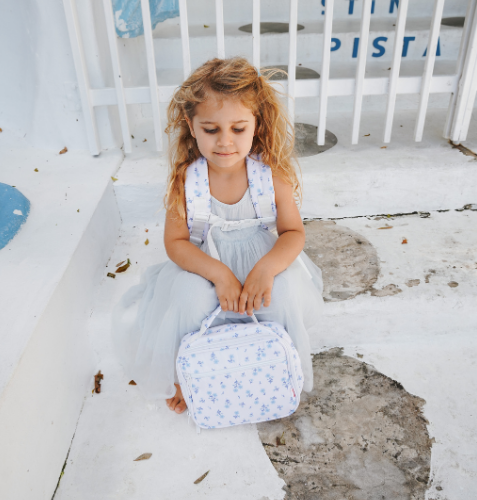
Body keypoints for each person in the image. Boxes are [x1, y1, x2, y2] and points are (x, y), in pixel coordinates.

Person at [111, 57, 325, 415]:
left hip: (260, 258)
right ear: (191, 126)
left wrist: (267, 268)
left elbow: (293, 233)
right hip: (204, 264)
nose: (225, 141)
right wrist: (220, 274)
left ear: (256, 125)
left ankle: (278, 367)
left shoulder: (270, 177)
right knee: (188, 299)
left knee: (282, 295)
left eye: (238, 129)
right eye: (211, 129)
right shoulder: (186, 181)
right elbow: (176, 244)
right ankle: (186, 373)